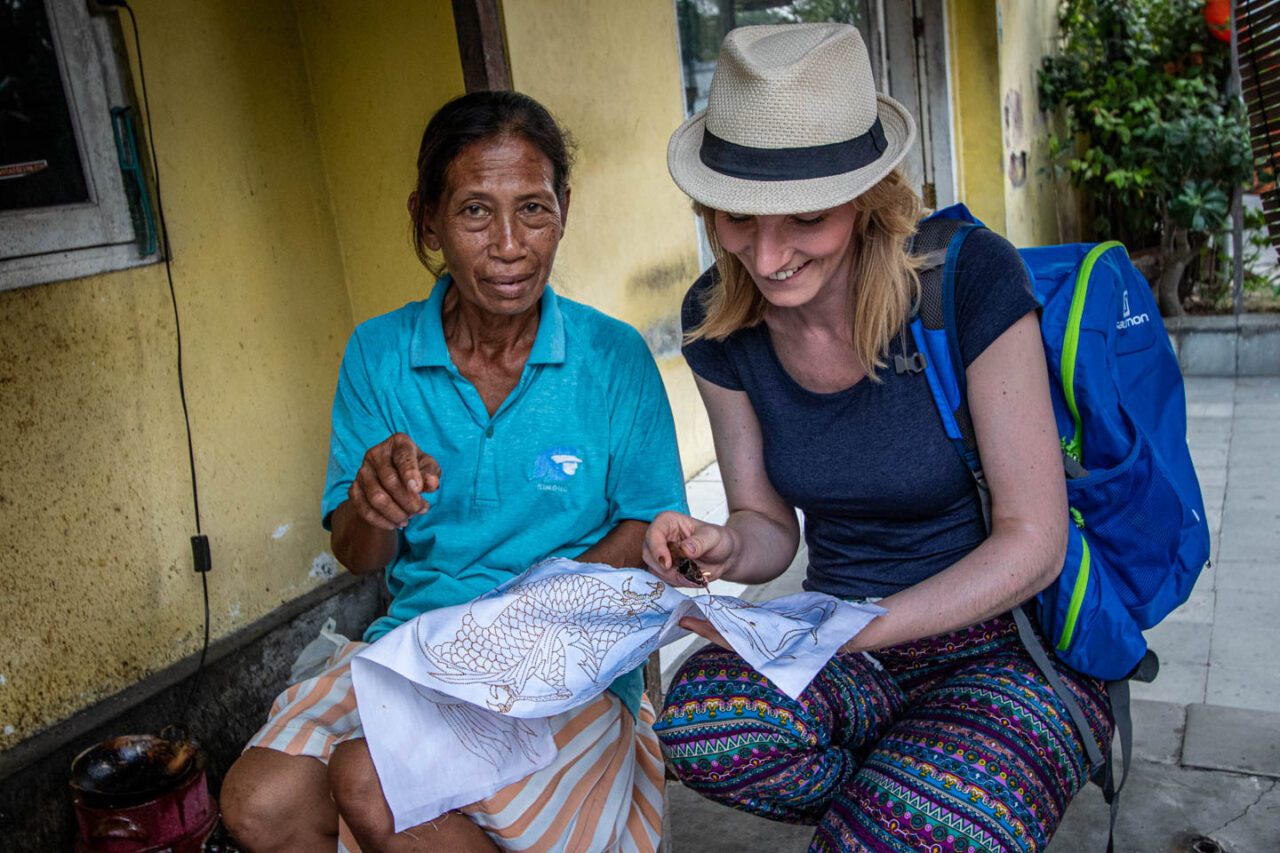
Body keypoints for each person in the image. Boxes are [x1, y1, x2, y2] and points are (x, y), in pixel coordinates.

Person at [642, 24, 1113, 853]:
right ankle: (907, 787)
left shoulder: (968, 278)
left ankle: (916, 796)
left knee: (891, 832)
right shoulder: (717, 314)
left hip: (1008, 645)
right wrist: (723, 544)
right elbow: (766, 525)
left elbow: (1035, 542)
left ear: (866, 197)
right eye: (737, 218)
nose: (768, 257)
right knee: (700, 723)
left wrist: (855, 629)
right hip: (847, 645)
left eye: (806, 218)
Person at [221, 91, 686, 853]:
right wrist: (373, 504)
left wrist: (520, 617)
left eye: (532, 209)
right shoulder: (379, 352)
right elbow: (356, 555)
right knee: (260, 802)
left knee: (372, 783)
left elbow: (650, 527)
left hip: (563, 655)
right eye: (475, 211)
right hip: (416, 643)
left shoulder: (612, 356)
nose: (509, 244)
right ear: (427, 221)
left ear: (564, 211)